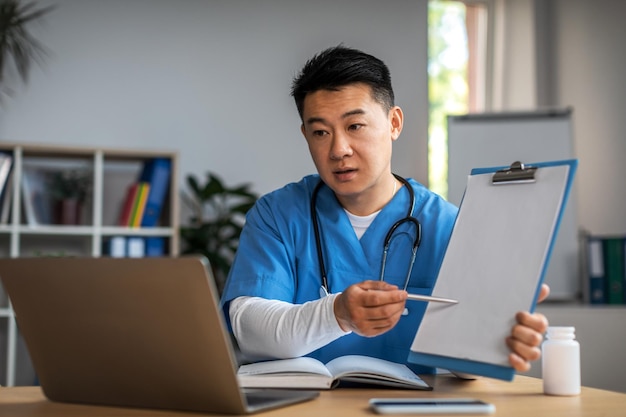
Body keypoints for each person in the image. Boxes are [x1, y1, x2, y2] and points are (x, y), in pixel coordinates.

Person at [220, 45, 548, 375]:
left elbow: (464, 367)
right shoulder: (277, 214)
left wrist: (493, 342)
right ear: (305, 135)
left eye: (355, 126)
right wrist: (337, 313)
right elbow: (250, 329)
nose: (338, 150)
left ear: (393, 123)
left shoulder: (449, 225)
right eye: (321, 132)